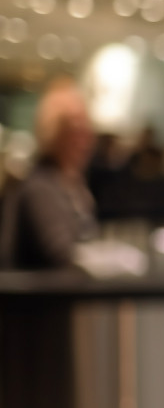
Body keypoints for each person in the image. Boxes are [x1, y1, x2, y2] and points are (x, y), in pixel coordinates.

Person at [0, 77, 98, 270]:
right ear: (54, 134)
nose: (84, 141)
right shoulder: (40, 187)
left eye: (86, 130)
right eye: (75, 132)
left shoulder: (71, 181)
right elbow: (60, 256)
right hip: (41, 298)